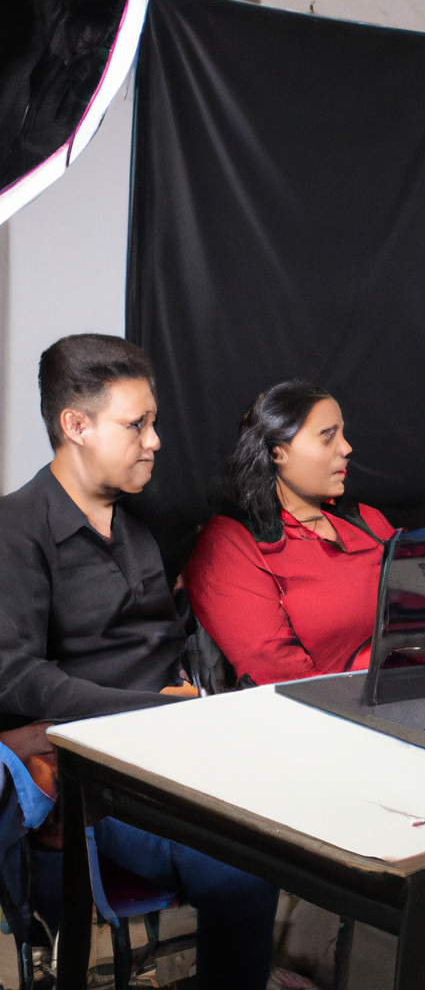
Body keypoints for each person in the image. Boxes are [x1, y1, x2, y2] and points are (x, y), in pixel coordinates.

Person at [0, 333, 278, 990]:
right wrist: (148, 714)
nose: (154, 441)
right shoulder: (17, 528)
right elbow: (15, 674)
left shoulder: (143, 519)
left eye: (153, 423)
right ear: (76, 425)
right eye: (137, 425)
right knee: (246, 864)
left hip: (185, 741)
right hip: (105, 781)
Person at [184, 379, 394, 685]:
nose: (347, 448)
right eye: (327, 437)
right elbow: (274, 668)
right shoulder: (232, 543)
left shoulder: (367, 521)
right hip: (326, 714)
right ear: (277, 453)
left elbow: (422, 610)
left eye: (343, 434)